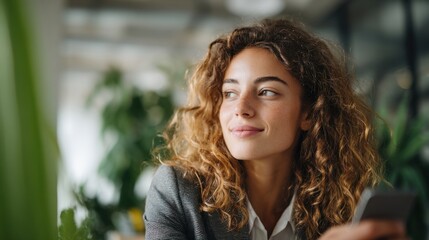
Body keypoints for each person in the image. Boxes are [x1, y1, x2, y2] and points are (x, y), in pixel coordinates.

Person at [143, 18, 407, 240]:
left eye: (267, 92)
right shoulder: (177, 191)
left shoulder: (342, 203)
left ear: (308, 112)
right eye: (230, 93)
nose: (241, 108)